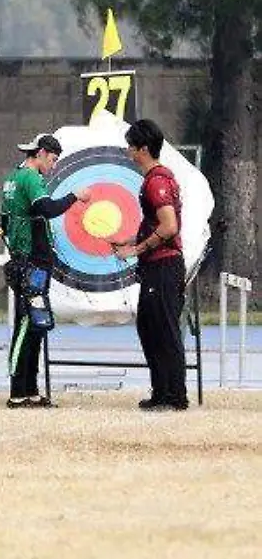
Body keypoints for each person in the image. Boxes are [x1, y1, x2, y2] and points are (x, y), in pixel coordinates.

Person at [0, 133, 90, 409]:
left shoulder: (13, 178)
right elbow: (46, 208)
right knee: (28, 324)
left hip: (23, 258)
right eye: (51, 159)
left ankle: (30, 390)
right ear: (39, 154)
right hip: (32, 262)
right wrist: (76, 196)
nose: (52, 166)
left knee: (34, 323)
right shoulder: (31, 179)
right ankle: (18, 392)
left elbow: (3, 219)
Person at [114, 119, 188, 411]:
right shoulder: (158, 177)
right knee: (149, 326)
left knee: (164, 330)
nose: (129, 152)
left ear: (143, 149)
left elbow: (169, 226)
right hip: (159, 266)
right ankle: (161, 392)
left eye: (131, 147)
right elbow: (155, 224)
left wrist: (137, 249)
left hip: (164, 266)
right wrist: (128, 240)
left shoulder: (156, 181)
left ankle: (174, 397)